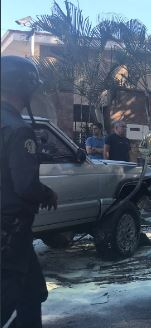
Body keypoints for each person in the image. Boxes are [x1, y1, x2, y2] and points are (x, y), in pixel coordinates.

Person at [1, 55, 58, 327]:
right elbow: (24, 186)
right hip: (10, 232)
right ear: (25, 88)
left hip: (13, 235)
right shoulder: (18, 129)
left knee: (33, 292)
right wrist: (46, 193)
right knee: (7, 297)